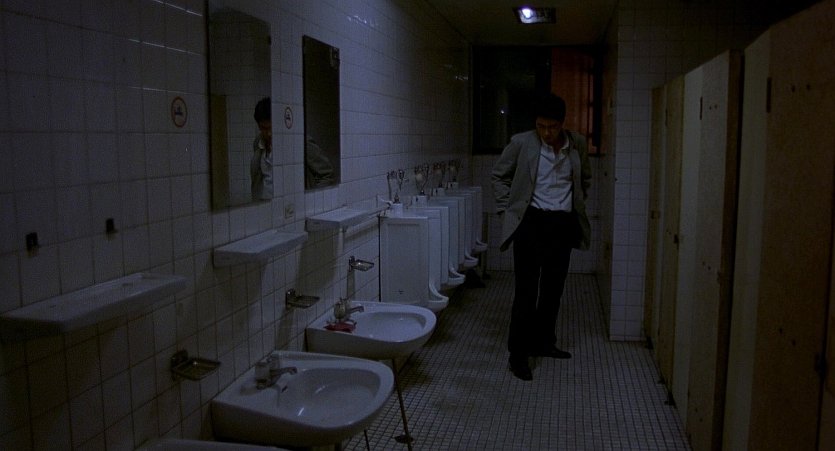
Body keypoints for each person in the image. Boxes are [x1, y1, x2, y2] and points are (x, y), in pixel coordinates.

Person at [491, 92, 592, 381]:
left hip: (562, 224)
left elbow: (585, 178)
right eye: (541, 126)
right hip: (531, 223)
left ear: (563, 123)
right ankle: (518, 354)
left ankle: (544, 342)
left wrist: (577, 201)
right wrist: (506, 210)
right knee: (525, 292)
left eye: (552, 127)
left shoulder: (577, 144)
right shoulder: (522, 142)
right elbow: (499, 175)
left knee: (553, 290)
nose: (546, 133)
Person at [251, 97, 273, 201]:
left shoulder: (298, 141)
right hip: (263, 202)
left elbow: (323, 173)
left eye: (271, 127)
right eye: (264, 128)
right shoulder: (258, 143)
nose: (269, 133)